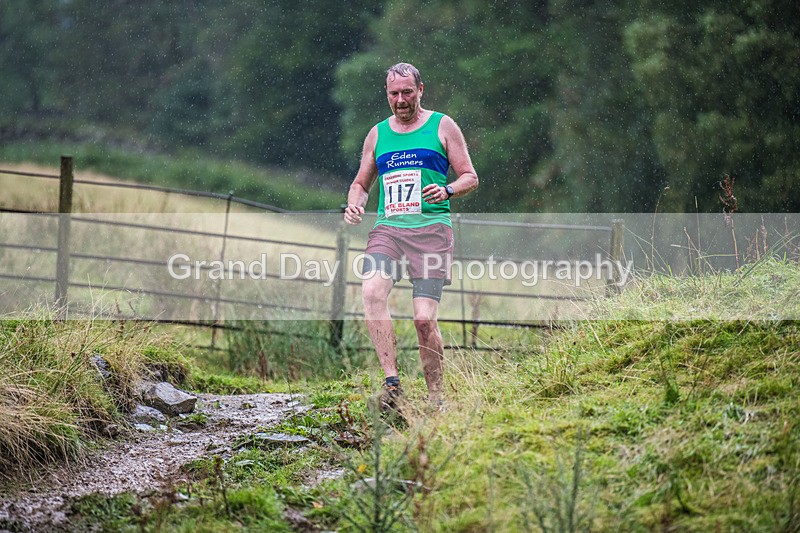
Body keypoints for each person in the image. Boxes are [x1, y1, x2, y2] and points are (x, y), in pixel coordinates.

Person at [343, 62, 479, 412]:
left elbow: (470, 177)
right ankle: (392, 384)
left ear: (421, 90)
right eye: (393, 94)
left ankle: (436, 398)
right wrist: (354, 205)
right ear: (386, 95)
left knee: (423, 319)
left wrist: (447, 190)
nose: (400, 100)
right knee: (372, 290)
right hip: (389, 230)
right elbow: (361, 183)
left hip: (432, 232)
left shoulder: (442, 126)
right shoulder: (377, 134)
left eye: (407, 92)